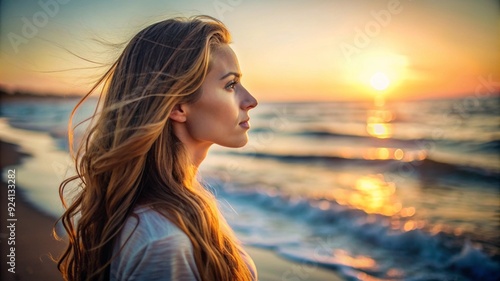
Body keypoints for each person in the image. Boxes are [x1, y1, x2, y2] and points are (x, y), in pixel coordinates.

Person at [56, 15, 258, 281]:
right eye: (230, 84)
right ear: (177, 107)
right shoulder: (165, 242)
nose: (250, 101)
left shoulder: (183, 202)